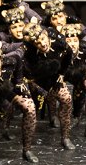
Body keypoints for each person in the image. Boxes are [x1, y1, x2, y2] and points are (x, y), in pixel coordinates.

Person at [15, 21, 75, 149]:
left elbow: (69, 53)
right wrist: (38, 89)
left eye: (43, 39)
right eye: (37, 43)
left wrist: (62, 74)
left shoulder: (58, 42)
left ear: (46, 35)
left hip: (53, 77)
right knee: (31, 111)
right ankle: (26, 147)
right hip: (36, 81)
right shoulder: (28, 53)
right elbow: (25, 75)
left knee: (66, 99)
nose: (42, 44)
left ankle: (65, 137)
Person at [0, 41, 38, 162]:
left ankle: (27, 149)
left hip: (5, 88)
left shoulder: (10, 61)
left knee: (29, 107)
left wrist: (19, 80)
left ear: (1, 60)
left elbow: (18, 56)